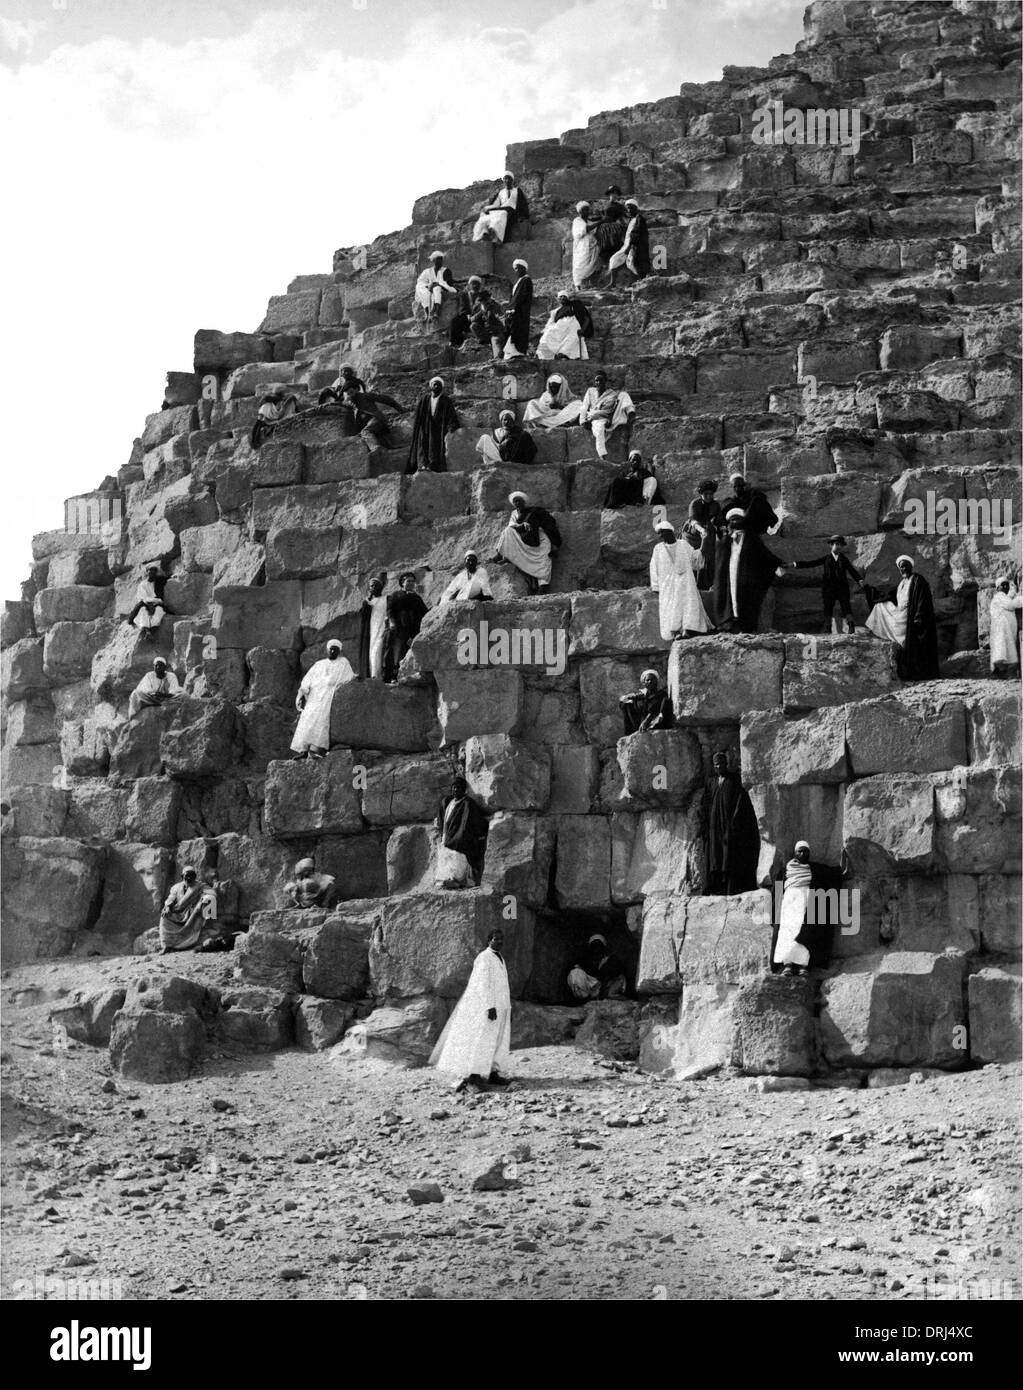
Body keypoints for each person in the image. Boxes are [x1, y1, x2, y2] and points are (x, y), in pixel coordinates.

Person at [429, 929, 511, 1093]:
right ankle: (474, 1075)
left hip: (502, 1006)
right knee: (482, 1040)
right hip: (489, 1008)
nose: (499, 942)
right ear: (489, 941)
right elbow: (482, 983)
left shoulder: (500, 958)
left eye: (501, 939)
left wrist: (507, 1006)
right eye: (496, 939)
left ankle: (493, 1072)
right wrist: (490, 1006)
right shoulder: (484, 958)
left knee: (498, 1040)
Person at [773, 841, 849, 977]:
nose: (802, 853)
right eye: (799, 851)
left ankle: (803, 965)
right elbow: (777, 891)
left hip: (806, 901)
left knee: (805, 931)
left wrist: (844, 856)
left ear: (809, 853)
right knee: (787, 932)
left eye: (805, 851)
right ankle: (787, 964)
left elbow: (836, 873)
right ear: (795, 853)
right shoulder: (785, 870)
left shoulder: (815, 869)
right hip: (789, 903)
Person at [864, 555, 940, 680]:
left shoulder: (917, 580)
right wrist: (870, 591)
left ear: (911, 566)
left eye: (905, 566)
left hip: (911, 616)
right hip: (901, 614)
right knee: (881, 606)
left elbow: (923, 599)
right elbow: (888, 596)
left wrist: (918, 616)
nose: (903, 569)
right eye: (900, 567)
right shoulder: (902, 583)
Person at [715, 509, 787, 633]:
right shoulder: (726, 540)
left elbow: (764, 554)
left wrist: (778, 563)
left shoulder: (752, 538)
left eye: (738, 518)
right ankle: (731, 623)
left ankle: (746, 625)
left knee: (746, 598)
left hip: (746, 576)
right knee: (730, 596)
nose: (735, 521)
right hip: (731, 574)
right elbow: (720, 560)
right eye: (733, 519)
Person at [706, 751, 760, 895]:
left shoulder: (734, 780)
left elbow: (740, 802)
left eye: (721, 764)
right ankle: (717, 888)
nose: (719, 767)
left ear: (726, 764)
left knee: (729, 857)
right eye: (716, 765)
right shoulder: (712, 783)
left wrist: (735, 821)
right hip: (715, 827)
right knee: (716, 857)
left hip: (730, 826)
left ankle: (731, 888)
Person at [291, 639, 355, 758]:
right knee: (307, 720)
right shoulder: (319, 664)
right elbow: (308, 679)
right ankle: (303, 750)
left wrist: (356, 678)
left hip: (328, 696)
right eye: (331, 649)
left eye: (335, 649)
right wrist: (302, 693)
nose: (332, 651)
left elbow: (348, 677)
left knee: (321, 722)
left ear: (339, 651)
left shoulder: (343, 663)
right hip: (314, 696)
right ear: (327, 650)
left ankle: (315, 749)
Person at [650, 520, 711, 641]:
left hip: (685, 581)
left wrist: (704, 541)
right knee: (671, 607)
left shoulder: (683, 544)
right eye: (659, 533)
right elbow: (654, 567)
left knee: (689, 603)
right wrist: (656, 586)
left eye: (663, 532)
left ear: (670, 532)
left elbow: (695, 560)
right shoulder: (658, 549)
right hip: (668, 584)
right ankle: (675, 632)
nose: (661, 536)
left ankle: (688, 629)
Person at [789, 535, 863, 634]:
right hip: (829, 588)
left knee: (846, 607)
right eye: (836, 544)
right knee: (828, 607)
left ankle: (851, 627)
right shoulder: (826, 558)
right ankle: (828, 628)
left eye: (841, 545)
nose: (839, 547)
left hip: (842, 588)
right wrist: (795, 564)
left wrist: (859, 580)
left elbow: (852, 570)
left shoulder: (844, 559)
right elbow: (811, 563)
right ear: (831, 545)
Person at [493, 491, 561, 594]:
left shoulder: (533, 512)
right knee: (507, 531)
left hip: (539, 539)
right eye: (515, 502)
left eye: (519, 501)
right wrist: (521, 525)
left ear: (524, 502)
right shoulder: (514, 514)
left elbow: (546, 524)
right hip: (522, 540)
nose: (517, 504)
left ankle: (542, 586)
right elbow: (511, 524)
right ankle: (500, 554)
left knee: (544, 559)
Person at [435, 774, 490, 888]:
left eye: (459, 787)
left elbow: (477, 819)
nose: (456, 789)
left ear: (464, 790)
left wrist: (480, 833)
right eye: (454, 787)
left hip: (459, 839)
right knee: (446, 859)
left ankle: (458, 880)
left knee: (458, 857)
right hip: (447, 836)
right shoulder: (448, 801)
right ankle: (446, 879)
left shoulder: (468, 803)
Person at [406, 377, 460, 474]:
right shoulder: (425, 399)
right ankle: (422, 465)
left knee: (435, 447)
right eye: (434, 384)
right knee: (422, 445)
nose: (436, 386)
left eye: (438, 384)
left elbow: (451, 414)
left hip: (439, 428)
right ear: (431, 386)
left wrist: (452, 426)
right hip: (425, 427)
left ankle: (433, 466)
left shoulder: (446, 400)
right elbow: (418, 414)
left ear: (441, 387)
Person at [578, 372, 636, 460]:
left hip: (611, 416)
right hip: (596, 418)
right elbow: (584, 406)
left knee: (623, 394)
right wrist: (583, 421)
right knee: (600, 428)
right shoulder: (590, 391)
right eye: (596, 381)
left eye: (601, 380)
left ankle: (630, 414)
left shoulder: (611, 393)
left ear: (605, 381)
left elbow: (614, 407)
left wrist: (610, 418)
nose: (598, 383)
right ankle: (602, 455)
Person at [385, 572, 428, 681]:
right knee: (397, 654)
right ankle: (393, 676)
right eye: (408, 581)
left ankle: (407, 675)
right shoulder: (396, 595)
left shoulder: (417, 598)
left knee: (410, 654)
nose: (411, 583)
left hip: (413, 631)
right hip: (399, 630)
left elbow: (425, 613)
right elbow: (390, 611)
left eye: (413, 581)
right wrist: (392, 623)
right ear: (402, 583)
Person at [342, 384, 408, 453]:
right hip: (374, 428)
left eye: (351, 392)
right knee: (387, 447)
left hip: (377, 420)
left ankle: (375, 448)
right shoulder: (354, 406)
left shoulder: (365, 396)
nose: (350, 395)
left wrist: (400, 410)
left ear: (356, 390)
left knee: (365, 432)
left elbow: (386, 399)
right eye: (348, 394)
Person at [685, 480, 724, 595]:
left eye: (710, 494)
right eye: (705, 494)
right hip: (693, 532)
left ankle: (705, 584)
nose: (708, 496)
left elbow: (719, 521)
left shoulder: (715, 505)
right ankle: (691, 584)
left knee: (709, 556)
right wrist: (701, 530)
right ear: (701, 494)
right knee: (694, 557)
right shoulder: (694, 504)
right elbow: (693, 521)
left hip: (707, 532)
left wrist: (724, 531)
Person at [158, 866, 207, 953]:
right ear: (182, 877)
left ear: (195, 876)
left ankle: (190, 944)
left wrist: (203, 900)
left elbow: (211, 892)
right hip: (179, 913)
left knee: (199, 916)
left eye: (191, 876)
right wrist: (168, 906)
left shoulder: (200, 886)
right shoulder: (176, 887)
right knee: (164, 917)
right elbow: (171, 898)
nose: (188, 878)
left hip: (193, 914)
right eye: (186, 876)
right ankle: (166, 946)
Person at [567, 933, 627, 1001]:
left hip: (608, 984)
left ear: (603, 947)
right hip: (594, 987)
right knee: (575, 972)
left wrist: (603, 984)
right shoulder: (586, 960)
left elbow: (611, 973)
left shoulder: (611, 959)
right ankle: (585, 999)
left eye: (599, 945)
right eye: (594, 946)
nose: (596, 949)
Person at [472, 172, 527, 243]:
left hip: (512, 212)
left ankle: (496, 236)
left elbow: (523, 204)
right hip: (502, 209)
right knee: (485, 215)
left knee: (502, 213)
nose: (506, 180)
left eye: (508, 178)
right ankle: (482, 235)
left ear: (512, 180)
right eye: (505, 179)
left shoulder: (517, 191)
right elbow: (496, 205)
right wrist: (486, 208)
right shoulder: (501, 192)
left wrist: (523, 216)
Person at [607, 199, 651, 286]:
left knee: (633, 264)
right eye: (627, 208)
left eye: (631, 208)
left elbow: (636, 234)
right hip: (626, 246)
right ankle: (612, 283)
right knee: (614, 260)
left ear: (636, 208)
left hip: (635, 247)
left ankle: (638, 282)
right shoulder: (631, 220)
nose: (629, 210)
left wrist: (629, 247)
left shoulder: (640, 219)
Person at [536, 292, 589, 361]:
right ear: (558, 299)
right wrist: (543, 331)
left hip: (572, 326)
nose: (562, 298)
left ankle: (563, 354)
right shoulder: (555, 311)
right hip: (559, 328)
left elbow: (586, 318)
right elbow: (550, 323)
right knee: (547, 336)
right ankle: (549, 355)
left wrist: (583, 330)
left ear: (568, 298)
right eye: (560, 296)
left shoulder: (574, 307)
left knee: (572, 336)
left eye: (564, 296)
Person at [619, 669, 674, 734]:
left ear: (656, 681)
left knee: (666, 701)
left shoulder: (661, 694)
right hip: (641, 721)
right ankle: (631, 731)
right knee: (627, 704)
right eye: (647, 680)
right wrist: (634, 696)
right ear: (644, 682)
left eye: (652, 680)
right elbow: (622, 700)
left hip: (656, 720)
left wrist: (647, 721)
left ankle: (648, 724)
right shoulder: (640, 696)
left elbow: (655, 707)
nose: (650, 682)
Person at [124, 566, 173, 638]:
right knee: (142, 611)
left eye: (154, 571)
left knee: (159, 611)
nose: (152, 572)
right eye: (150, 571)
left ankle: (151, 631)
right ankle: (147, 630)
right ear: (147, 572)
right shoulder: (142, 584)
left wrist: (173, 576)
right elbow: (143, 598)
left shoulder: (159, 581)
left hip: (157, 603)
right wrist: (151, 603)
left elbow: (168, 577)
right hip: (145, 603)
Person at [413, 251, 457, 328]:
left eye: (441, 259)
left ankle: (436, 311)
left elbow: (449, 283)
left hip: (444, 289)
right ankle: (428, 313)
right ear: (433, 260)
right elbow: (420, 281)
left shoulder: (446, 271)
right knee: (422, 289)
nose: (440, 261)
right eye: (438, 259)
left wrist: (438, 284)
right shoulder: (427, 271)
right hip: (430, 289)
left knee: (437, 289)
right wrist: (428, 286)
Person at [989, 577, 1023, 675]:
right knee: (1002, 652)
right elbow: (1010, 604)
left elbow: (1010, 599)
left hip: (1005, 629)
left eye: (1006, 585)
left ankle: (1002, 673)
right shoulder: (999, 596)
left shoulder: (1004, 596)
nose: (1005, 587)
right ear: (997, 588)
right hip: (1001, 629)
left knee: (1005, 652)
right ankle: (999, 672)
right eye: (1002, 585)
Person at [358, 576, 388, 679]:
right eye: (371, 586)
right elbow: (363, 616)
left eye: (376, 585)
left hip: (382, 629)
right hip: (370, 632)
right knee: (370, 653)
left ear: (381, 587)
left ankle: (377, 675)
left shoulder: (386, 599)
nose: (374, 587)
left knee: (377, 651)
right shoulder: (367, 601)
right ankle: (372, 675)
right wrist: (368, 601)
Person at [503, 259, 533, 360]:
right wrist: (509, 308)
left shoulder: (526, 280)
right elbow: (513, 297)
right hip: (514, 310)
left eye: (518, 268)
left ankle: (518, 353)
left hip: (520, 312)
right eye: (515, 269)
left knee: (518, 331)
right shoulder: (519, 281)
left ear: (524, 268)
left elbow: (521, 296)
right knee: (512, 331)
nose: (516, 271)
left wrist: (513, 307)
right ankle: (512, 353)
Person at [467, 288, 507, 360]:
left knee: (497, 356)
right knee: (473, 326)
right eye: (482, 301)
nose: (484, 302)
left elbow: (502, 319)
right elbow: (474, 318)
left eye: (485, 300)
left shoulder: (495, 307)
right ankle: (484, 341)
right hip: (487, 333)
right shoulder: (481, 308)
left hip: (496, 334)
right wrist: (472, 317)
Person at [571, 201, 602, 289]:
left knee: (593, 264)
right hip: (582, 246)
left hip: (592, 245)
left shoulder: (588, 221)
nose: (587, 212)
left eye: (588, 210)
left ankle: (591, 283)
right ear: (580, 211)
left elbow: (593, 226)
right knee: (580, 264)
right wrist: (600, 222)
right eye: (585, 210)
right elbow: (586, 229)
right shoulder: (577, 220)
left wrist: (600, 219)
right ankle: (578, 285)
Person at [595, 185, 629, 264]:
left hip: (613, 226)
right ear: (609, 194)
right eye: (612, 193)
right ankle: (605, 261)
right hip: (603, 227)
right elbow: (601, 216)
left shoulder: (620, 206)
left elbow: (623, 217)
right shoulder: (604, 205)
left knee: (614, 241)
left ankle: (615, 260)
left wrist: (625, 225)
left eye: (616, 193)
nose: (614, 195)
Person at [450, 276, 483, 349]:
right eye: (473, 283)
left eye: (477, 284)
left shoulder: (482, 295)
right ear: (469, 285)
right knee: (456, 321)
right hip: (467, 317)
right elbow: (463, 306)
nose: (475, 286)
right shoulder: (464, 294)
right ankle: (455, 342)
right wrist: (467, 314)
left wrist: (476, 316)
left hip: (479, 318)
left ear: (480, 286)